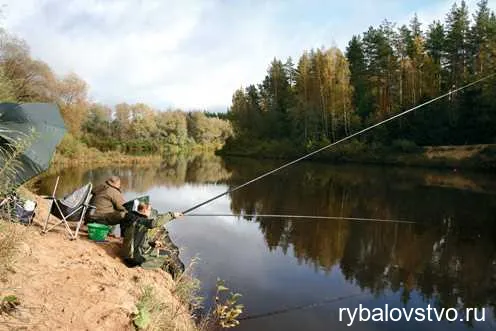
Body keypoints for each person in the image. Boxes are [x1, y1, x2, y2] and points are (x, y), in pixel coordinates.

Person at [121, 202, 184, 277]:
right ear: (144, 210)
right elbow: (153, 223)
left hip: (127, 256)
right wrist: (172, 215)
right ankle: (173, 277)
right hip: (134, 259)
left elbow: (137, 239)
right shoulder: (141, 221)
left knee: (162, 252)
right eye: (150, 210)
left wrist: (152, 243)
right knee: (169, 254)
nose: (151, 212)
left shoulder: (132, 218)